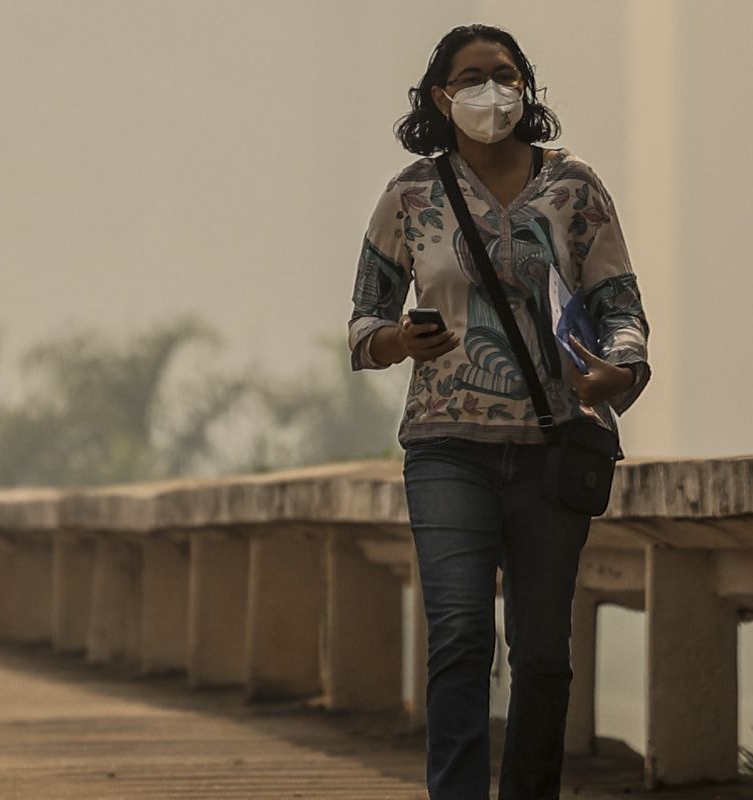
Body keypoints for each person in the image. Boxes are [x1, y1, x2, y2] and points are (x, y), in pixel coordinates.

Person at [348, 25, 650, 799]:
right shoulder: (409, 195)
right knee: (459, 634)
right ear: (441, 97)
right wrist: (399, 340)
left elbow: (620, 306)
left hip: (556, 448)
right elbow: (362, 323)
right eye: (473, 77)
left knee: (544, 650)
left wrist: (618, 370)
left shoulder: (574, 187)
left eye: (506, 74)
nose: (493, 90)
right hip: (448, 445)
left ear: (527, 87)